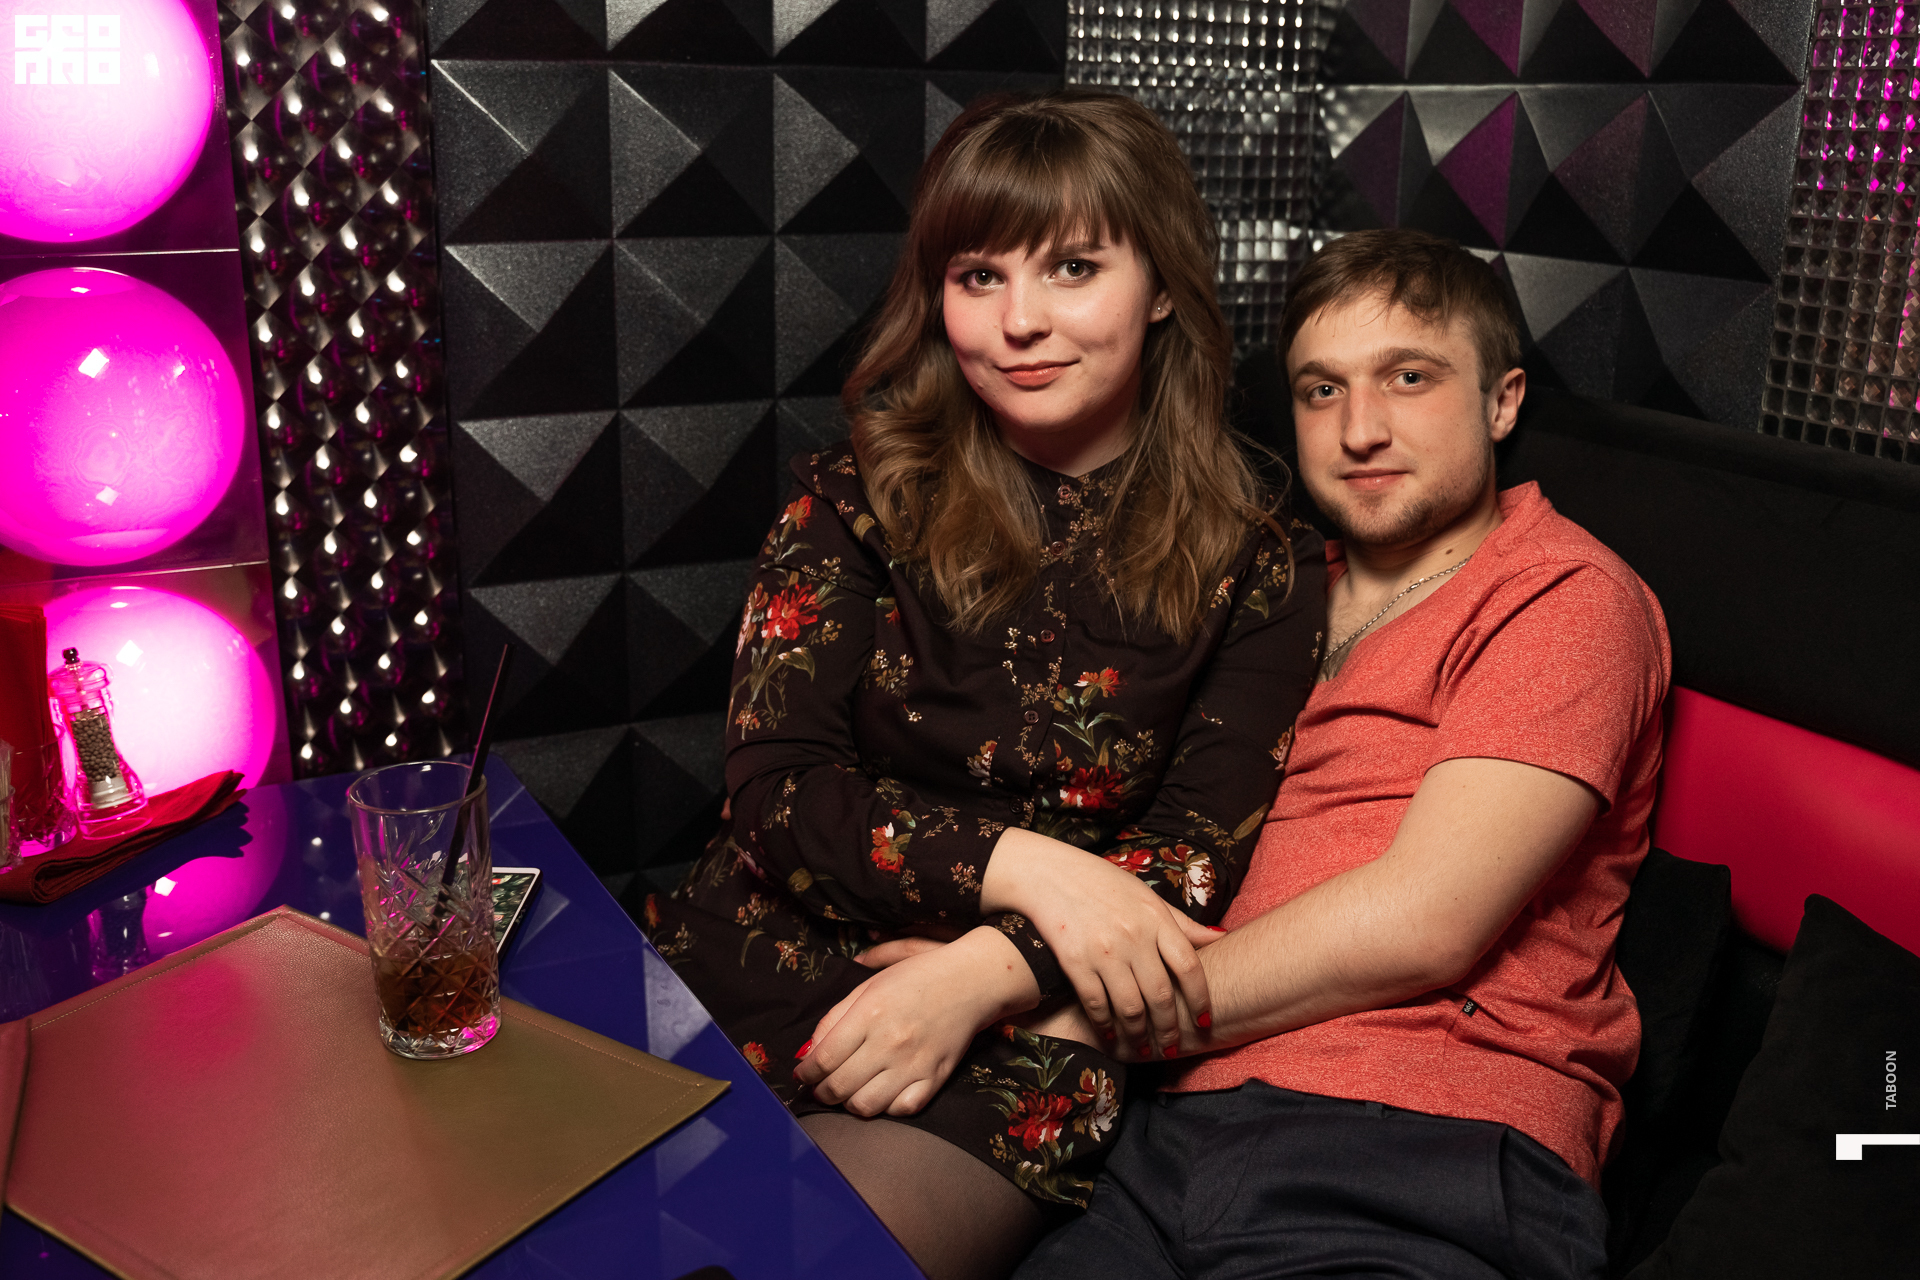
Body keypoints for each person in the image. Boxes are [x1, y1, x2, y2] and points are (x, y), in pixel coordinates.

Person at [635, 91, 1325, 1279]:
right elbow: (776, 789)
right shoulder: (856, 494)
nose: (1019, 322)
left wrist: (981, 973)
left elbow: (1194, 856)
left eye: (1072, 268)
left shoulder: (1262, 557)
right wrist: (1038, 869)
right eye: (978, 276)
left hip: (1026, 1019)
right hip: (756, 956)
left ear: (1162, 285)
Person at [1018, 229, 1671, 1280]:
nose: (1360, 429)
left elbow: (1427, 922)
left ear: (1502, 402)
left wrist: (1057, 1014)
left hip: (1423, 1132)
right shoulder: (1267, 588)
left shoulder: (1563, 594)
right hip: (1161, 1138)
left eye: (1409, 377)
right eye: (1322, 390)